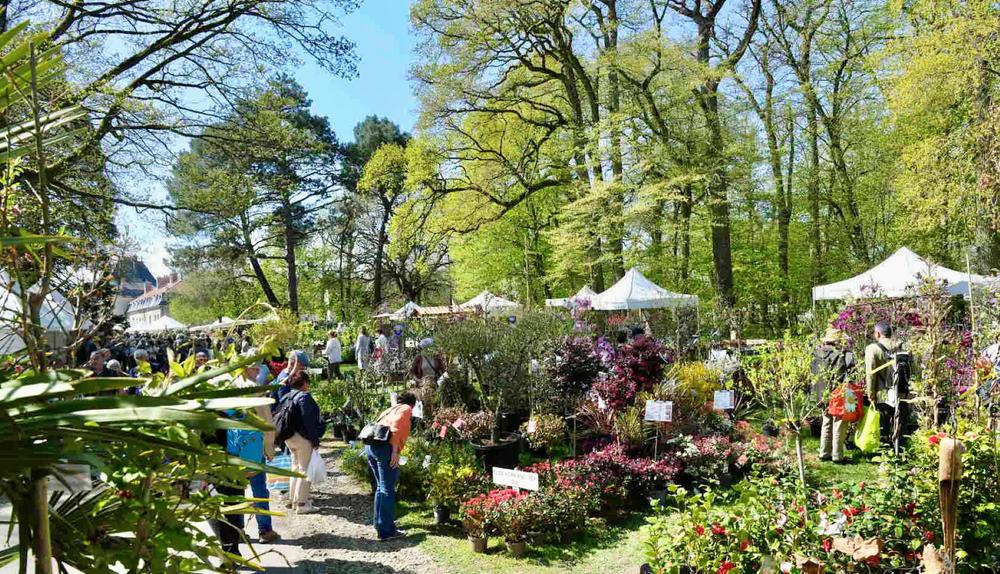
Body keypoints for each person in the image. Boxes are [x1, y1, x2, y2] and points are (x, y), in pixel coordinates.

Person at [231, 361, 281, 543]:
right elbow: (267, 422)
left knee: (236, 492)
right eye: (255, 368)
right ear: (248, 369)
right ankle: (265, 530)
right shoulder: (255, 391)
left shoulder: (229, 389)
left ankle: (238, 531)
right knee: (259, 489)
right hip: (253, 447)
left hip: (233, 448)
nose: (258, 372)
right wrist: (269, 447)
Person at [365, 390, 416, 541]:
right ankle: (386, 531)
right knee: (387, 488)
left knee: (381, 487)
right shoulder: (405, 409)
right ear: (412, 404)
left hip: (371, 447)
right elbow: (396, 428)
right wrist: (395, 451)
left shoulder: (390, 409)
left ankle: (380, 524)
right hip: (385, 449)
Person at [278, 372, 323, 514]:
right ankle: (302, 504)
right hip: (302, 438)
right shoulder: (304, 397)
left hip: (289, 437)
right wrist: (315, 440)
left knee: (295, 467)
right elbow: (308, 421)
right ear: (304, 382)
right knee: (305, 470)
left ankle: (293, 500)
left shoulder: (287, 395)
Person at [811, 327, 856, 463]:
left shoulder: (816, 353)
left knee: (826, 422)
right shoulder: (841, 354)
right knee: (839, 424)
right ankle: (837, 455)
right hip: (838, 393)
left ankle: (824, 452)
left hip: (821, 393)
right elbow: (848, 373)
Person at [865, 321, 906, 447]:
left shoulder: (873, 349)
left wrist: (870, 393)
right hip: (901, 389)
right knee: (899, 419)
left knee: (884, 420)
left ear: (878, 334)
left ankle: (885, 448)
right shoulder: (901, 346)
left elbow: (870, 373)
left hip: (882, 391)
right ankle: (899, 446)